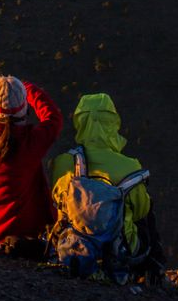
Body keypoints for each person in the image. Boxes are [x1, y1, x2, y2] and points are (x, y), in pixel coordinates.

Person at [50, 93, 165, 281]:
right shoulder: (131, 167)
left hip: (72, 247)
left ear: (80, 122)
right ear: (113, 122)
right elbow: (140, 210)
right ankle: (154, 269)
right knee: (146, 211)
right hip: (120, 249)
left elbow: (57, 200)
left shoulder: (63, 163)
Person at [0, 75, 62, 246]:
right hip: (24, 234)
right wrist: (26, 88)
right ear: (24, 109)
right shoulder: (32, 144)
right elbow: (53, 118)